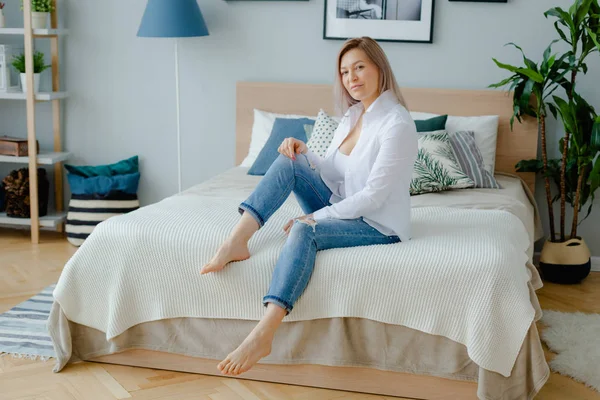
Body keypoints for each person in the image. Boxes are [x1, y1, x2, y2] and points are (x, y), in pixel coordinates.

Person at [201, 36, 418, 377]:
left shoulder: (397, 123)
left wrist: (315, 215)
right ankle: (237, 241)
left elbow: (374, 196)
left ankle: (264, 333)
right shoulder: (352, 116)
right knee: (289, 161)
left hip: (377, 222)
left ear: (379, 68)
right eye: (345, 72)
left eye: (360, 67)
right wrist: (305, 152)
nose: (352, 78)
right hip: (344, 204)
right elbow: (333, 173)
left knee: (304, 229)